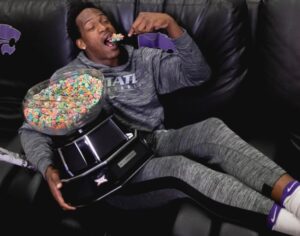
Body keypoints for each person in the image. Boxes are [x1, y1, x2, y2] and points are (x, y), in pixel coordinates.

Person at [18, 2, 300, 235]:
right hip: (117, 170)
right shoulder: (69, 79)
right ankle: (292, 226)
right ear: (81, 43)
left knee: (212, 129)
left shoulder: (143, 59)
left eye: (105, 21)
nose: (103, 27)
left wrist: (171, 26)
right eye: (92, 27)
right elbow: (31, 130)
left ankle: (295, 198)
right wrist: (47, 168)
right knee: (180, 168)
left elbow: (198, 74)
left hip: (153, 139)